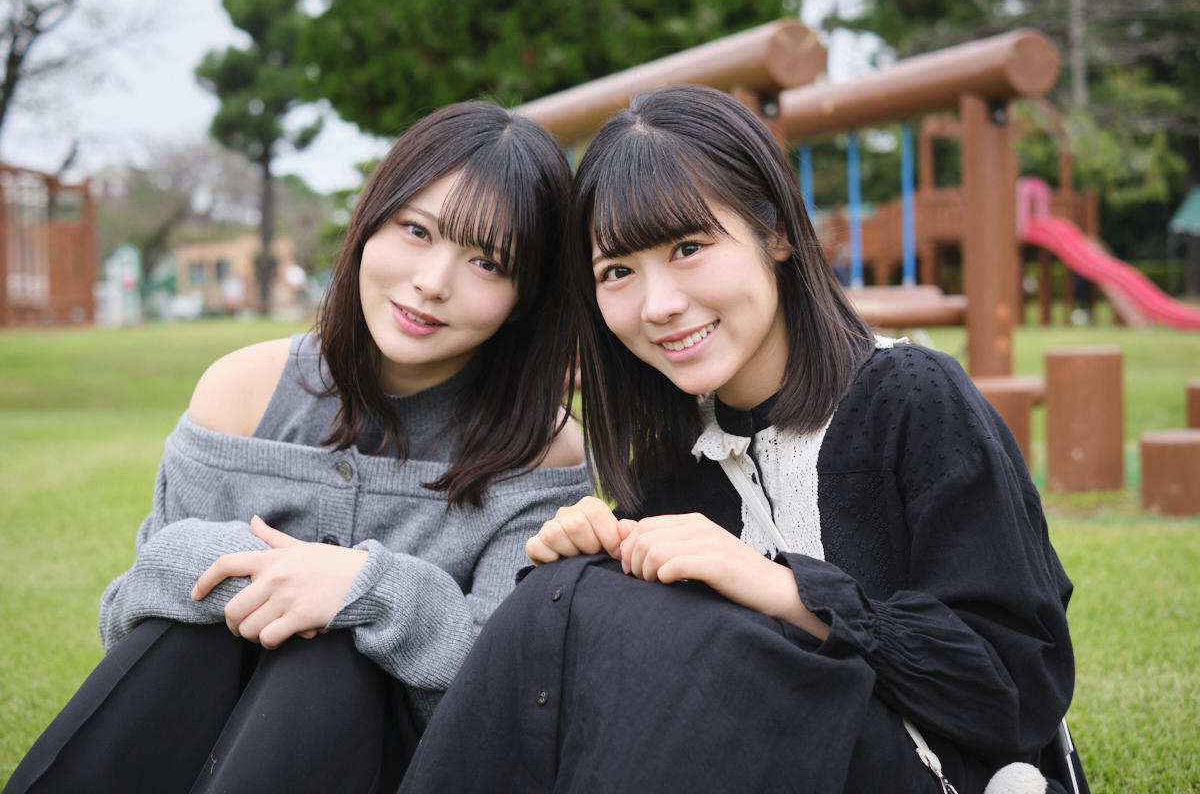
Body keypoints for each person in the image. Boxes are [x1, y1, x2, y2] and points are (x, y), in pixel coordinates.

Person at [399, 86, 1084, 794]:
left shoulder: (912, 396)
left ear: (775, 233)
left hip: (933, 772)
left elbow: (1015, 687)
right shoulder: (672, 464)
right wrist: (587, 560)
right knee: (563, 591)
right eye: (618, 272)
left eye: (689, 248)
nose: (659, 305)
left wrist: (783, 590)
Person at [4, 101, 590, 794]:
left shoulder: (541, 452)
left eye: (488, 262)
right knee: (193, 633)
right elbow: (132, 618)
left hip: (398, 766)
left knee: (332, 655)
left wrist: (363, 590)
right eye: (416, 230)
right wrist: (289, 579)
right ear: (370, 221)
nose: (433, 282)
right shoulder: (242, 390)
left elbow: (499, 700)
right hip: (209, 732)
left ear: (527, 296)